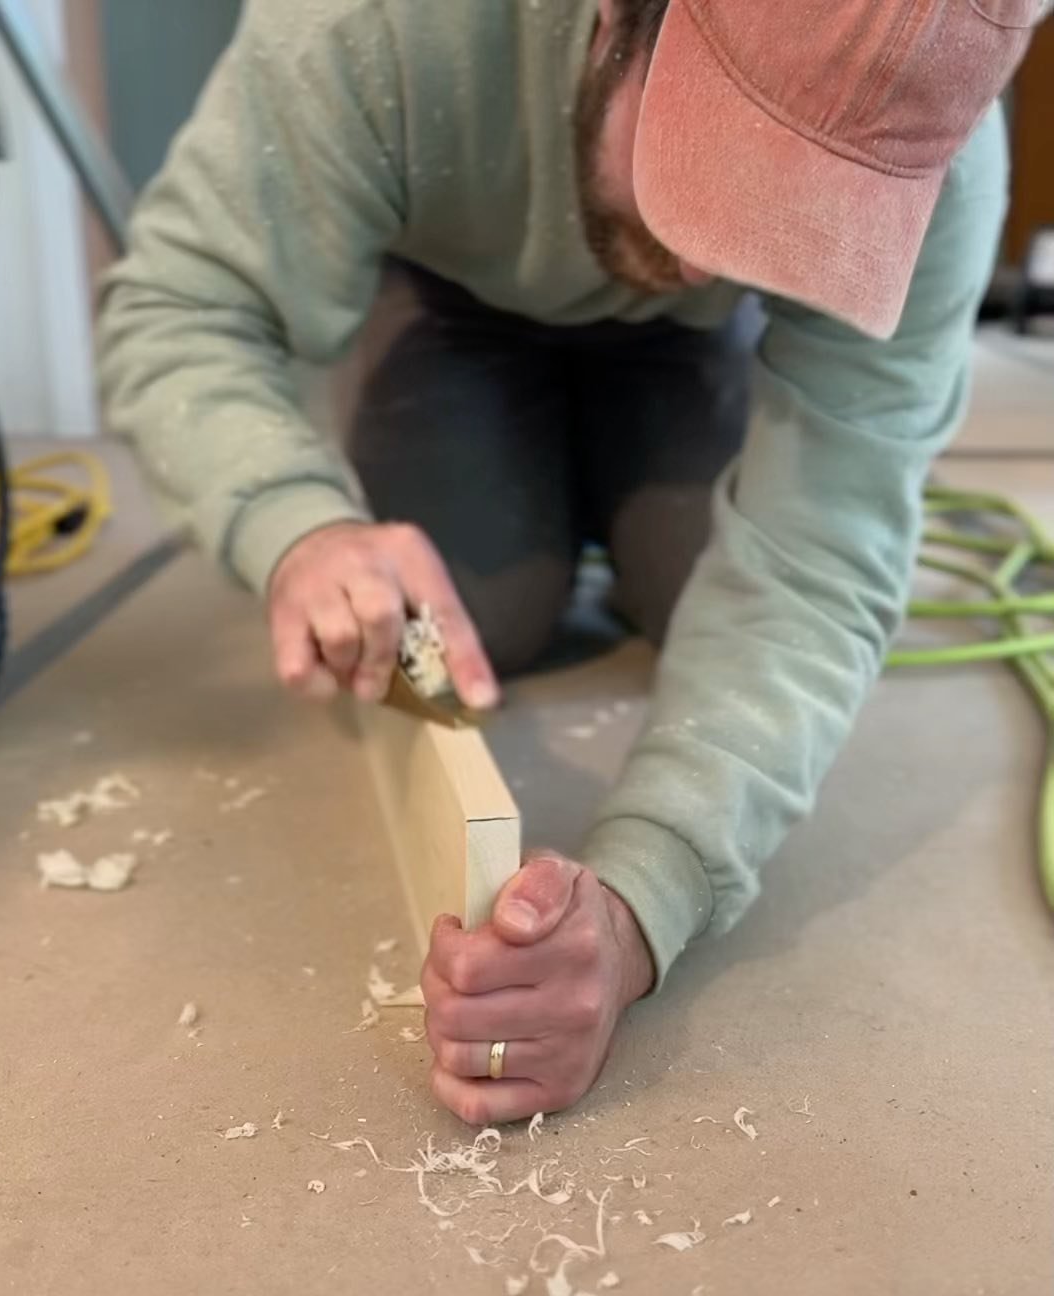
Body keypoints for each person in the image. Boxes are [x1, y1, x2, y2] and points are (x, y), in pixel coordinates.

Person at [97, 0, 1040, 1125]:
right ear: (615, 20)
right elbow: (183, 308)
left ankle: (640, 430)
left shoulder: (941, 149)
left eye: (796, 206)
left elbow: (820, 556)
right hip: (456, 293)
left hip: (698, 343)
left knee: (707, 598)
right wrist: (300, 525)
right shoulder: (368, 26)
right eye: (717, 160)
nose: (702, 253)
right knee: (474, 615)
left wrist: (645, 904)